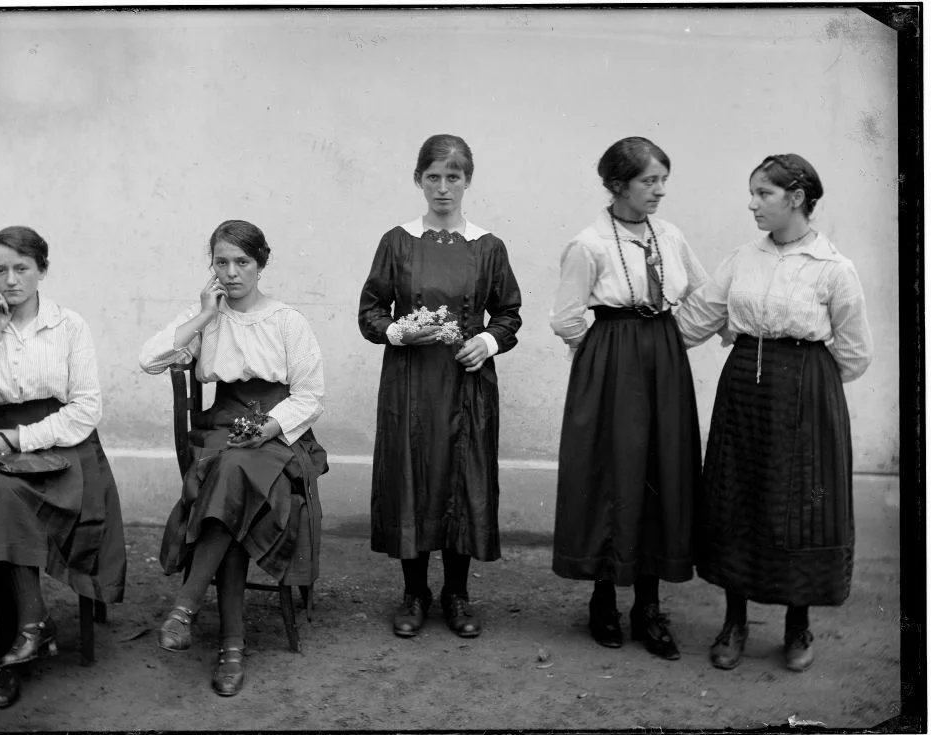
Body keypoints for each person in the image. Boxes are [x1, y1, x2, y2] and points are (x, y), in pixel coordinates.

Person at [676, 154, 873, 672]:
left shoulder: (834, 268)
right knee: (738, 498)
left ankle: (797, 624)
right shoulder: (743, 258)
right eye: (753, 193)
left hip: (806, 396)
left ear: (797, 198)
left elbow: (855, 353)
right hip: (744, 390)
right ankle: (734, 622)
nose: (753, 204)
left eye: (763, 193)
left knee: (801, 506)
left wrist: (808, 382)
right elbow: (695, 320)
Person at [0, 225, 127, 709]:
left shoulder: (69, 326)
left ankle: (23, 632)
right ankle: (30, 626)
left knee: (2, 493)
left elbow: (86, 408)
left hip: (64, 447)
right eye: (0, 270)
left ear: (42, 270)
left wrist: (23, 437)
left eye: (22, 268)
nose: (11, 280)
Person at [139, 219, 326, 697]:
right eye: (221, 262)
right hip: (222, 428)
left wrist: (272, 426)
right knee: (232, 478)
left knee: (233, 476)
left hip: (279, 434)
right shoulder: (208, 316)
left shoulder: (287, 321)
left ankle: (186, 608)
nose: (231, 272)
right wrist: (204, 316)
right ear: (212, 267)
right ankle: (231, 648)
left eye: (242, 262)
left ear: (261, 264)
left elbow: (310, 396)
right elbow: (150, 359)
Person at [549, 137, 707, 660]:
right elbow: (567, 319)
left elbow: (703, 293)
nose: (659, 191)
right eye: (648, 181)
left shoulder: (670, 235)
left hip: (664, 359)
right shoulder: (589, 244)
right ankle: (603, 600)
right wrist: (605, 356)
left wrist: (671, 341)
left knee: (661, 470)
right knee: (611, 472)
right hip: (611, 361)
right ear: (618, 185)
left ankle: (648, 607)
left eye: (663, 180)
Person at [358, 134, 522, 639]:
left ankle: (456, 593)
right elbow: (370, 312)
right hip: (410, 385)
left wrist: (487, 343)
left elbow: (509, 314)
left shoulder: (488, 247)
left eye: (453, 177)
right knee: (412, 477)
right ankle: (414, 592)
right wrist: (397, 331)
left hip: (466, 385)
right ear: (418, 180)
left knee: (461, 480)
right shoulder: (397, 242)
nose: (443, 188)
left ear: (468, 181)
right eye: (433, 177)